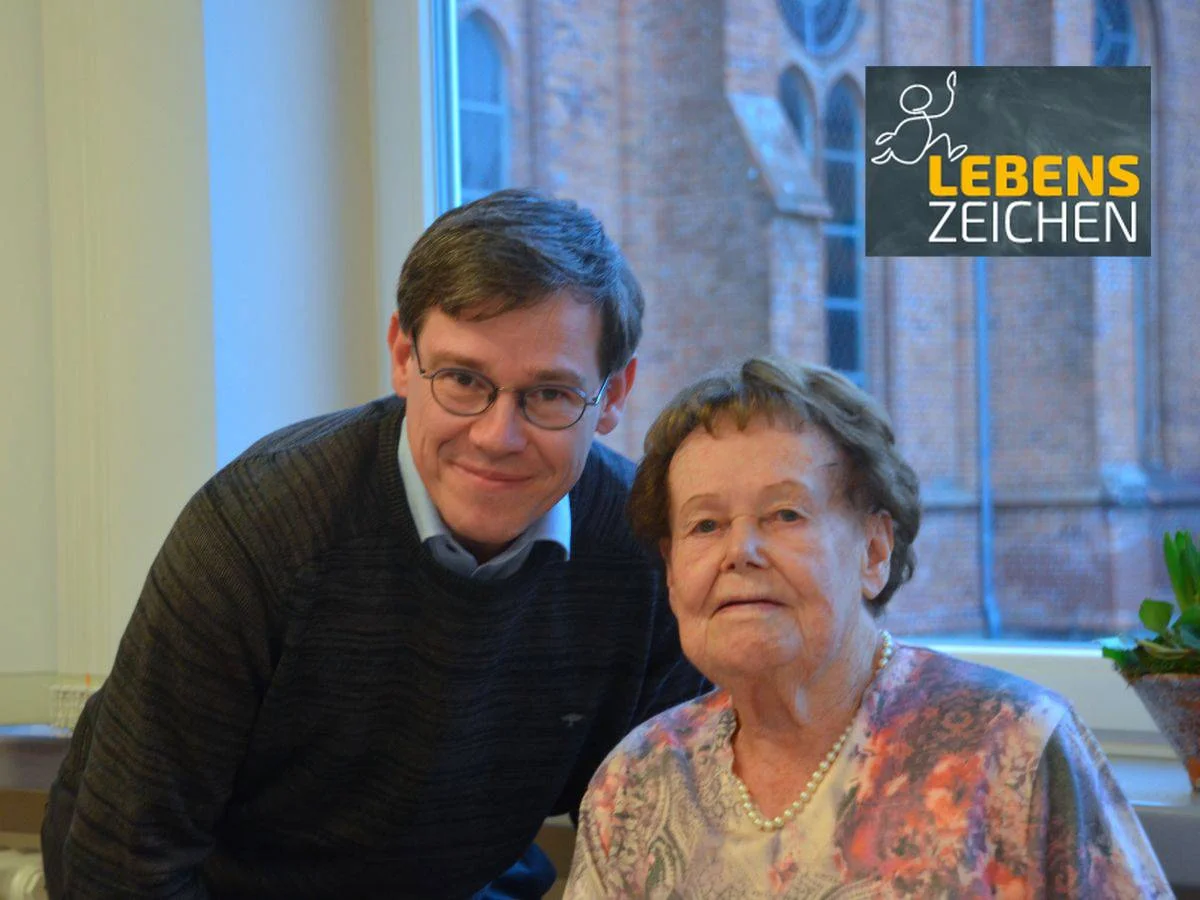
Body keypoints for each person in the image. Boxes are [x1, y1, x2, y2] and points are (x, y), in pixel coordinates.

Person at [41, 188, 705, 899]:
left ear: (614, 394)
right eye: (462, 380)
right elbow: (123, 863)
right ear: (402, 356)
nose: (496, 436)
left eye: (549, 395)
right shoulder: (259, 529)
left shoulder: (645, 550)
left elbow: (656, 839)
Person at [564, 357, 1171, 898]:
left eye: (785, 514)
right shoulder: (637, 782)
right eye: (705, 525)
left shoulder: (1013, 743)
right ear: (672, 572)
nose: (739, 551)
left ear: (875, 551)